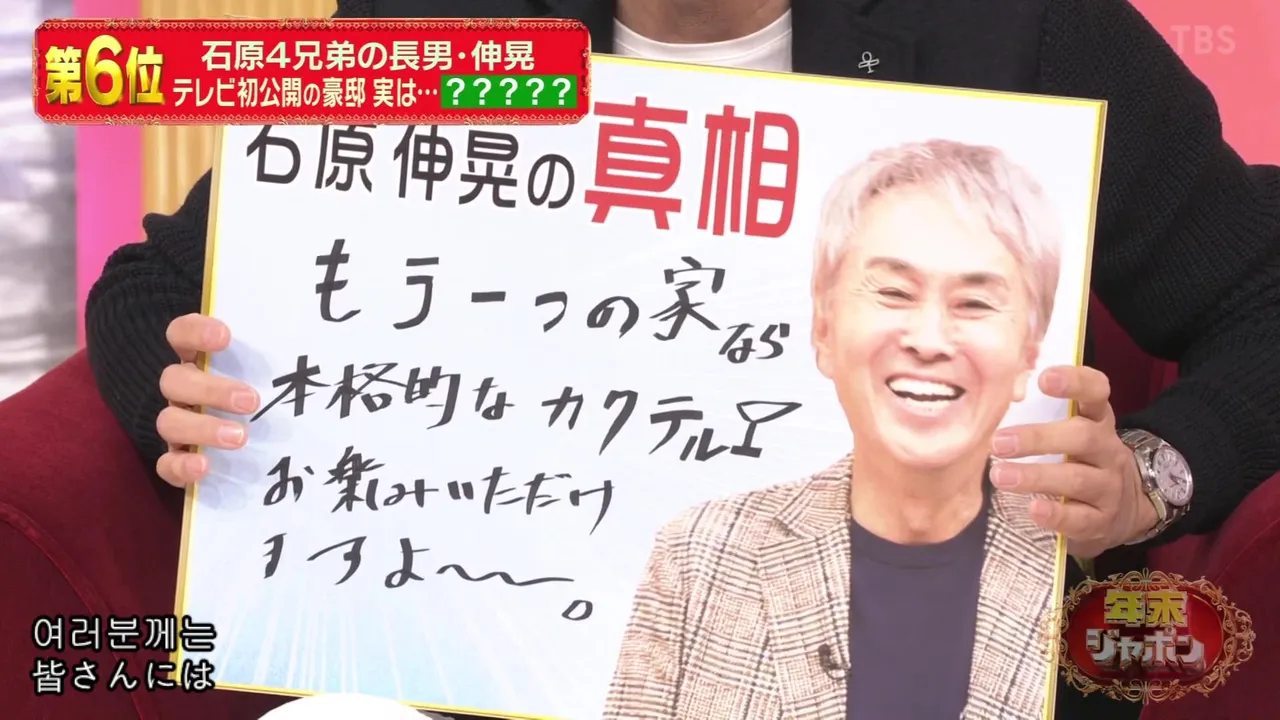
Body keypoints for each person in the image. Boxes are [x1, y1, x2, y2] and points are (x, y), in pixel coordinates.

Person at [84, 0, 1279, 717]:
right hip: (495, 660)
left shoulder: (1015, 26)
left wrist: (1149, 474)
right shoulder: (439, 16)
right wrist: (175, 395)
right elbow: (154, 284)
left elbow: (1262, 292)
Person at [605, 139, 1065, 720]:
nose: (929, 340)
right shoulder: (699, 555)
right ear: (823, 329)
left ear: (1028, 354)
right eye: (894, 292)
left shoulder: (1079, 577)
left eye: (974, 303)